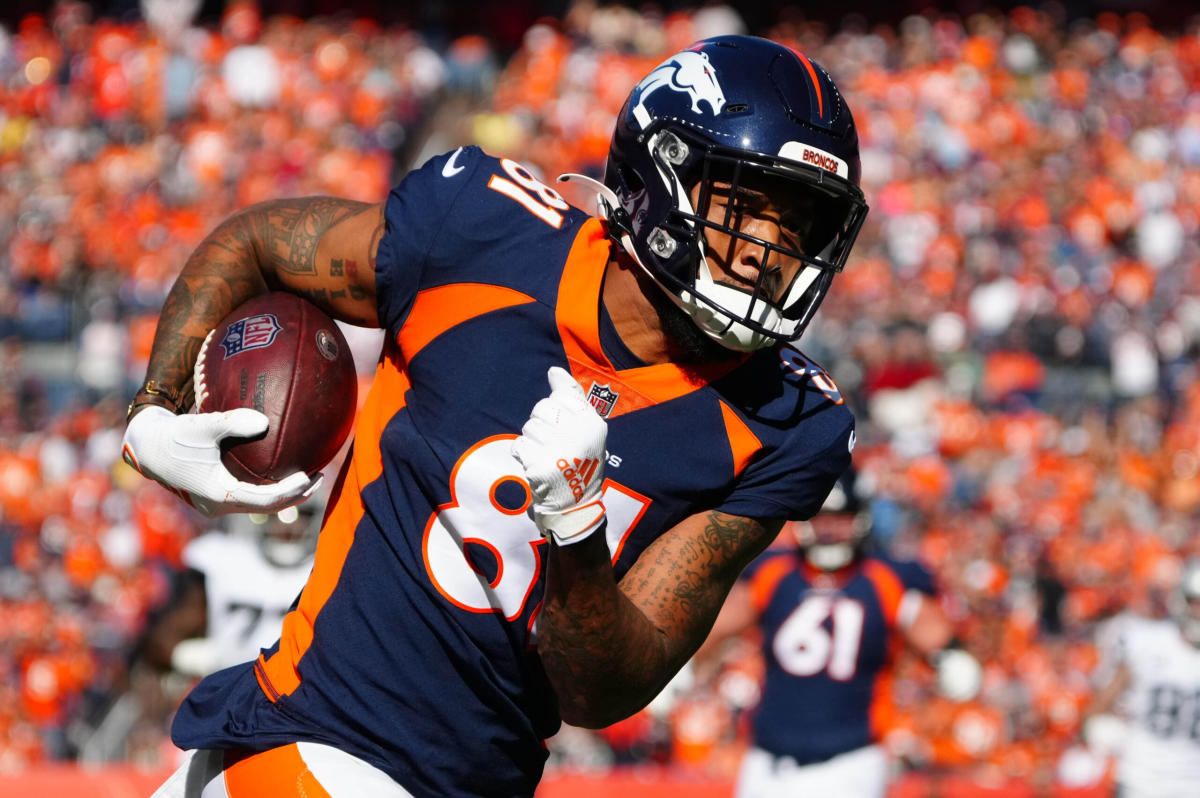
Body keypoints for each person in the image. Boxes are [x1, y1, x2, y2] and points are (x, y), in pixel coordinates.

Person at [121, 35, 869, 797]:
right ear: (659, 177)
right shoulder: (480, 232)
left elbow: (601, 694)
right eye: (746, 210)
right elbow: (255, 242)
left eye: (799, 227)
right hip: (305, 728)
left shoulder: (787, 424)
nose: (768, 254)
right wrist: (155, 410)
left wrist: (576, 527)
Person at [694, 468, 981, 798]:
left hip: (848, 762)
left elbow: (937, 638)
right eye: (820, 517)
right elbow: (711, 630)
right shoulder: (774, 574)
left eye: (840, 518)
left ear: (859, 519)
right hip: (767, 761)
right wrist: (680, 669)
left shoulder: (884, 579)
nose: (828, 529)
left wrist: (953, 657)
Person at [142, 500, 323, 678]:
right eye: (278, 516)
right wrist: (188, 656)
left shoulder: (327, 568)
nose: (288, 528)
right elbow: (161, 642)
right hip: (230, 690)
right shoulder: (224, 559)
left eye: (302, 516)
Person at [1082, 557, 1200, 798]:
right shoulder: (1147, 642)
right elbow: (1098, 707)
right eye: (1197, 603)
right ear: (1183, 601)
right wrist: (1106, 730)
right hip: (1143, 778)